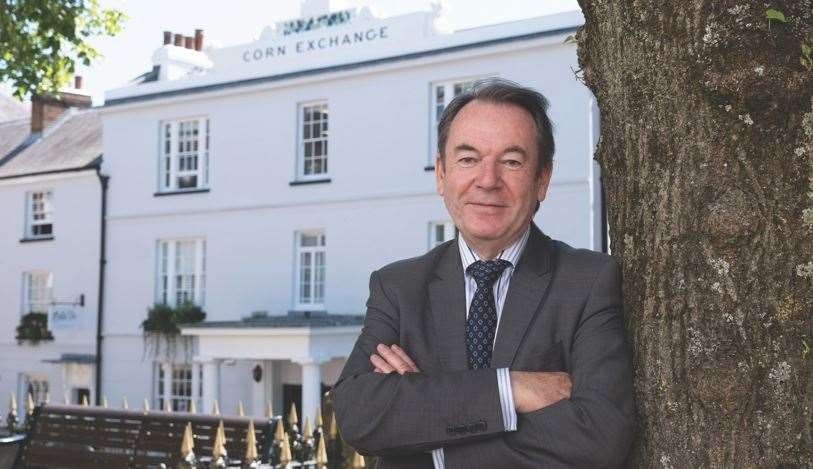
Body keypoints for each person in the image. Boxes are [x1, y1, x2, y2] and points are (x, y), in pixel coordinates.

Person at [331, 78, 634, 468]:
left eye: (511, 161)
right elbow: (360, 416)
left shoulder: (588, 281)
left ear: (542, 178)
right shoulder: (398, 288)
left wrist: (429, 436)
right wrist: (510, 390)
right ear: (441, 174)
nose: (487, 180)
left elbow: (600, 436)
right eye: (468, 159)